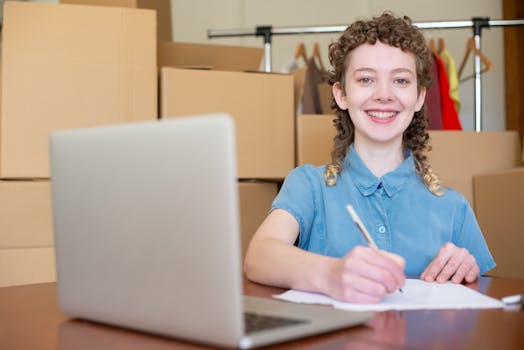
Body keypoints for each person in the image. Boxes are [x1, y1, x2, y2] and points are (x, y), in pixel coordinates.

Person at [244, 12, 495, 304]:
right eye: (366, 79)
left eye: (400, 81)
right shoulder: (308, 185)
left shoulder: (453, 207)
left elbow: (480, 293)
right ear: (341, 94)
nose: (384, 94)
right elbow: (258, 255)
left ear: (419, 97)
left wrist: (467, 268)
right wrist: (331, 274)